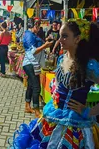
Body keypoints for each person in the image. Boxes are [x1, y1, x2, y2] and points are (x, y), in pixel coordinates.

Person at [9, 19, 99, 149]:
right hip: (51, 116)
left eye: (65, 36)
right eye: (60, 35)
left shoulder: (89, 65)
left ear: (77, 39)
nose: (59, 40)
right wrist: (55, 89)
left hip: (75, 124)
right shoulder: (62, 58)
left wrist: (89, 111)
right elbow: (57, 81)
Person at [23, 18, 53, 117]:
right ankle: (36, 110)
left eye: (39, 25)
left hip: (33, 63)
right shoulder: (29, 35)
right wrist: (45, 45)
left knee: (31, 85)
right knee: (36, 87)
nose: (39, 27)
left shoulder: (32, 35)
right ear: (33, 25)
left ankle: (27, 106)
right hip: (30, 63)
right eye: (37, 25)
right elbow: (33, 51)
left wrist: (46, 42)